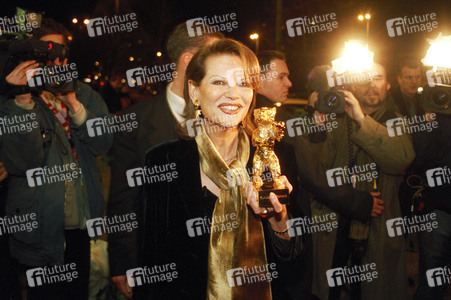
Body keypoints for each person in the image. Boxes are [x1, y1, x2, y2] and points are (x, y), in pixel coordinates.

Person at [134, 38, 305, 300]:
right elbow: (152, 265)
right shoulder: (163, 162)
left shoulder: (279, 158)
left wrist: (277, 218)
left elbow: (294, 265)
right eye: (219, 82)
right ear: (194, 91)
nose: (233, 94)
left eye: (244, 83)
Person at [107, 23, 224, 297]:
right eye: (214, 56)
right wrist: (123, 263)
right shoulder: (134, 122)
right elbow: (124, 200)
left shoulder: (227, 115)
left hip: (220, 264)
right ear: (189, 59)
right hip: (158, 267)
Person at [0, 19, 111, 299]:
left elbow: (103, 142)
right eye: (45, 52)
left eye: (60, 52)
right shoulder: (16, 98)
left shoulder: (84, 93)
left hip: (81, 222)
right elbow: (23, 162)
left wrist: (74, 103)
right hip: (41, 226)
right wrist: (22, 100)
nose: (54, 59)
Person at [307, 63, 415, 300]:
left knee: (372, 290)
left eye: (377, 78)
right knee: (331, 289)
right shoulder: (337, 119)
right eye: (365, 78)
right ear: (354, 85)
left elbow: (400, 160)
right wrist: (317, 124)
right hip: (336, 221)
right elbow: (316, 168)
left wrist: (361, 119)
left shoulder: (395, 120)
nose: (371, 84)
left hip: (378, 223)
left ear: (387, 85)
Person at [413, 109, 451, 299]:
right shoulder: (438, 114)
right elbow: (421, 159)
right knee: (432, 281)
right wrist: (427, 123)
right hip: (439, 207)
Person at [255, 50, 295, 123]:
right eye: (281, 77)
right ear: (258, 81)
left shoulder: (243, 114)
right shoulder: (277, 120)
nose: (289, 83)